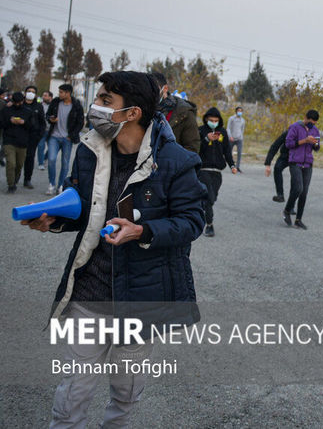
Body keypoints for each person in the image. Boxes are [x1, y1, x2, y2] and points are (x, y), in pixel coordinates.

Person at [20, 70, 205, 428]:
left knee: (125, 392)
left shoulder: (176, 162)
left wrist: (142, 230)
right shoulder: (89, 151)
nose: (96, 107)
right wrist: (53, 219)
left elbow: (192, 221)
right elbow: (82, 209)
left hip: (142, 300)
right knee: (73, 391)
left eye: (105, 101)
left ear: (132, 112)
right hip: (90, 293)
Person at [197, 107, 237, 237]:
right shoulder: (201, 131)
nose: (213, 122)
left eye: (215, 120)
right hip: (203, 170)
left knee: (212, 198)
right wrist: (207, 139)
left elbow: (227, 151)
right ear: (206, 119)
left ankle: (203, 208)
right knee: (209, 197)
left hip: (217, 171)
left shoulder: (223, 133)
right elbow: (195, 149)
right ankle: (209, 225)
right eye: (211, 120)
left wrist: (232, 165)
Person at [283, 109, 322, 229]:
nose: (312, 124)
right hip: (295, 162)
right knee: (298, 189)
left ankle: (298, 219)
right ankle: (287, 210)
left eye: (314, 123)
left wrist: (315, 144)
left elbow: (317, 147)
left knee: (304, 193)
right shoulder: (295, 127)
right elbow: (288, 144)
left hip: (308, 163)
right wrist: (304, 140)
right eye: (311, 122)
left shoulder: (315, 130)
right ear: (305, 118)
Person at [45, 83, 85, 195]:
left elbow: (80, 122)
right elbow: (47, 115)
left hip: (67, 139)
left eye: (62, 92)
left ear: (68, 93)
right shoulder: (55, 102)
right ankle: (51, 184)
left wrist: (71, 136)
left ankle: (61, 185)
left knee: (65, 163)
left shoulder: (77, 105)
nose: (59, 94)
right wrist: (51, 119)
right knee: (51, 159)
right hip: (54, 136)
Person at [150, 72, 201, 154]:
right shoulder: (142, 110)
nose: (151, 94)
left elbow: (192, 147)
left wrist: (172, 163)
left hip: (172, 164)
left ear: (165, 88)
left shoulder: (184, 112)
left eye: (154, 90)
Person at [2, 92, 35, 192]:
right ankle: (11, 185)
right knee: (11, 163)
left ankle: (15, 178)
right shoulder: (6, 110)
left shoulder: (28, 111)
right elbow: (1, 123)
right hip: (9, 141)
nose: (17, 105)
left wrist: (24, 122)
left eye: (19, 102)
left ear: (22, 101)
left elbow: (32, 126)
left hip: (22, 142)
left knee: (19, 164)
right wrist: (9, 121)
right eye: (15, 102)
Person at [21, 85, 47, 189]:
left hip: (33, 136)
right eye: (28, 91)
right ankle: (15, 177)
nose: (30, 93)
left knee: (30, 157)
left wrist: (39, 135)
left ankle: (27, 179)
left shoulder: (38, 106)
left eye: (32, 92)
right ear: (25, 92)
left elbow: (42, 122)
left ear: (35, 94)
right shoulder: (20, 104)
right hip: (20, 135)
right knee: (19, 157)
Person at [265, 128, 291, 203]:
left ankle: (291, 204)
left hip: (297, 157)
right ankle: (280, 195)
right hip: (285, 156)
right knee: (277, 168)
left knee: (295, 178)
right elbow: (275, 146)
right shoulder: (287, 132)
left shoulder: (303, 133)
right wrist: (268, 163)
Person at [36, 90, 54, 171]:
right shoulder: (40, 105)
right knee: (40, 146)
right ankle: (41, 163)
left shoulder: (54, 106)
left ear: (50, 97)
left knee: (51, 148)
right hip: (42, 130)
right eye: (43, 95)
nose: (44, 97)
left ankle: (45, 158)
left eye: (46, 95)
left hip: (52, 130)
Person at [227, 106, 245, 172]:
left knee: (239, 153)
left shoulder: (243, 120)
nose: (240, 112)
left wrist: (241, 136)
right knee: (228, 152)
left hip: (239, 139)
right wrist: (230, 136)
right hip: (232, 138)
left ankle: (238, 167)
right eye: (238, 111)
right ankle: (231, 166)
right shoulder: (231, 118)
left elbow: (242, 129)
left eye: (241, 111)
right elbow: (228, 128)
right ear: (236, 111)